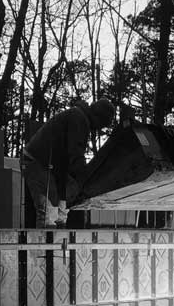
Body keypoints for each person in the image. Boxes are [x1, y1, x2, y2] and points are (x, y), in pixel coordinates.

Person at [21, 96, 116, 227]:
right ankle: (45, 245)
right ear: (97, 117)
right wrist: (86, 180)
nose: (99, 129)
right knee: (49, 213)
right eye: (102, 125)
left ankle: (57, 243)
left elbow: (70, 159)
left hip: (53, 167)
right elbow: (76, 155)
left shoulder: (79, 117)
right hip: (37, 162)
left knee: (62, 212)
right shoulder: (78, 118)